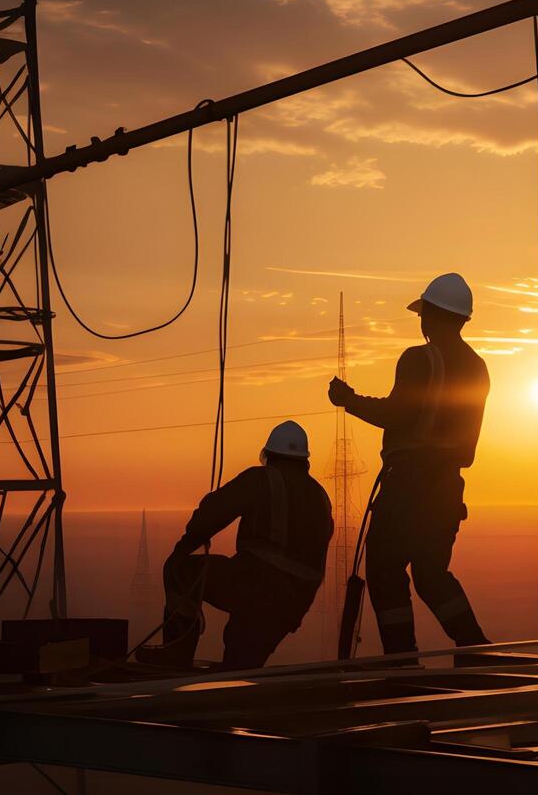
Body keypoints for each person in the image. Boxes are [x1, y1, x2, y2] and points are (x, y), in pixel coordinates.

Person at [328, 272, 491, 655]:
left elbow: (397, 414)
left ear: (430, 316)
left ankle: (400, 657)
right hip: (447, 490)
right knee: (432, 576)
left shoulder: (418, 359)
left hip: (409, 490)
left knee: (384, 568)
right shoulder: (477, 367)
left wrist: (347, 400)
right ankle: (474, 648)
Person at [160, 420, 333, 671]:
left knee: (179, 571)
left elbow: (213, 512)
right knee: (240, 668)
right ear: (304, 461)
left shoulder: (262, 479)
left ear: (269, 455)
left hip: (258, 586)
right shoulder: (320, 495)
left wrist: (185, 546)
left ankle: (175, 659)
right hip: (294, 603)